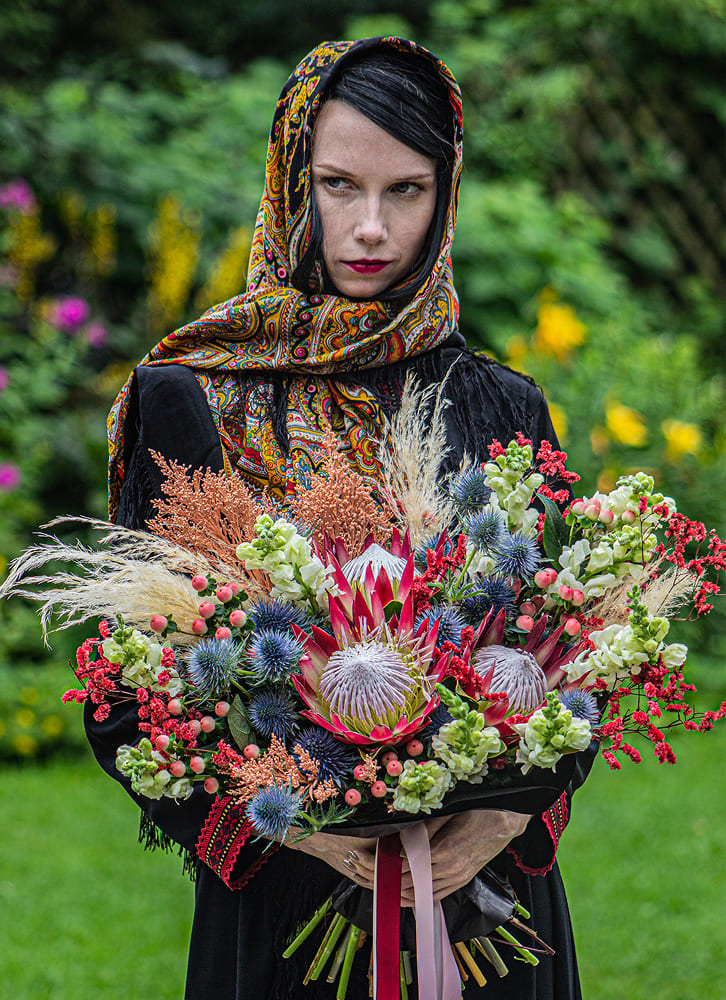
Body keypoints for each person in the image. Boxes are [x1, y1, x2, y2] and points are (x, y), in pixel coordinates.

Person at [90, 37, 595, 999]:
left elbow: (567, 659)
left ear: (446, 194)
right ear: (293, 181)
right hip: (287, 915)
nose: (370, 227)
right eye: (337, 185)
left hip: (491, 904)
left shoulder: (501, 407)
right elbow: (127, 697)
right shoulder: (191, 402)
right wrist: (305, 826)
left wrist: (509, 814)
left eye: (406, 191)